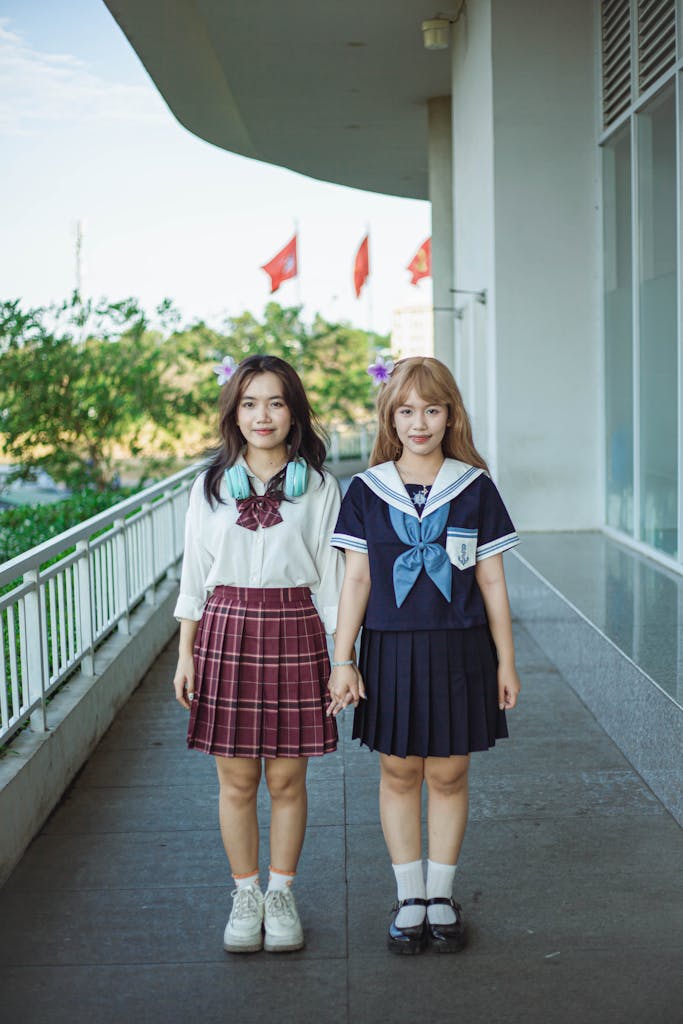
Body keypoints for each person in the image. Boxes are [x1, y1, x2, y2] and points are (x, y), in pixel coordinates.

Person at [328, 356, 520, 955]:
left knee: (449, 770)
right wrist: (343, 659)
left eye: (432, 410)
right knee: (399, 769)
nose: (419, 422)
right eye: (406, 410)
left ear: (449, 416)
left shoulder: (474, 488)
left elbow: (492, 582)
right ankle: (409, 893)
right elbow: (355, 582)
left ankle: (442, 892)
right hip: (389, 646)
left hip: (461, 646)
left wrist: (507, 661)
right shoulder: (366, 490)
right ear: (390, 416)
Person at [173, 354, 343, 955]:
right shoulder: (209, 485)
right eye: (249, 403)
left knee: (289, 779)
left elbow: (332, 579)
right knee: (237, 780)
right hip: (226, 630)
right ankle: (245, 894)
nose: (262, 415)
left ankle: (281, 893)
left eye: (274, 402)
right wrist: (186, 651)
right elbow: (195, 575)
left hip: (295, 627)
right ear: (234, 413)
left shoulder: (321, 487)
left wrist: (343, 658)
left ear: (293, 411)